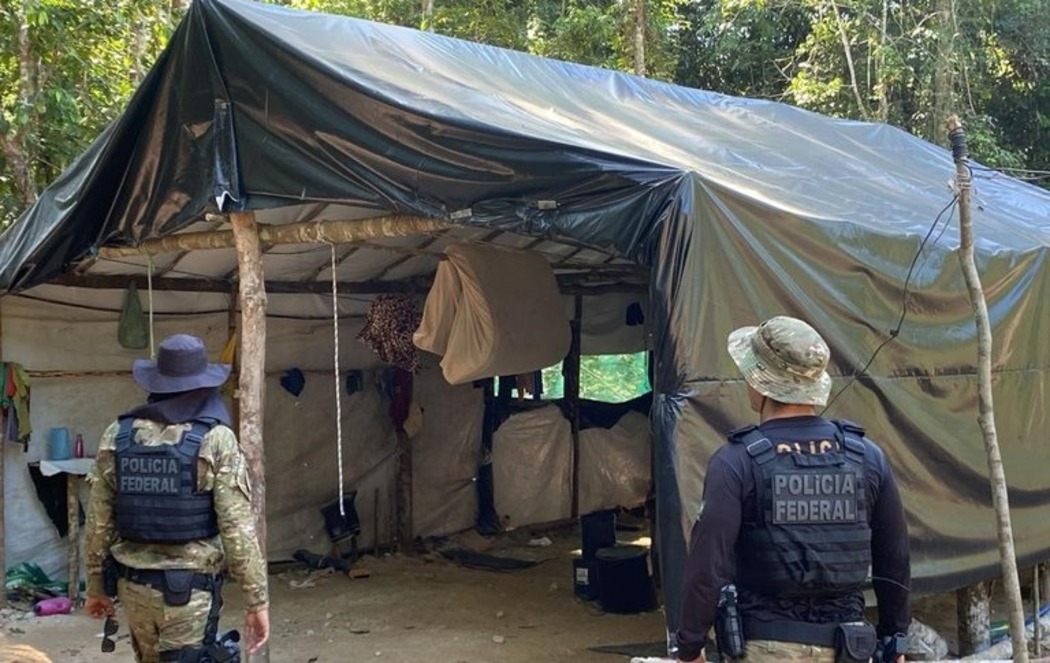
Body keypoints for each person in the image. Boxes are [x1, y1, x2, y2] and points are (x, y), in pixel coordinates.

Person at [675, 316, 910, 663]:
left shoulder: (736, 461)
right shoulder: (867, 458)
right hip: (851, 647)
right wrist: (895, 641)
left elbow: (709, 562)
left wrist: (690, 647)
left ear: (759, 381)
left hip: (766, 647)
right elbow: (894, 559)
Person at [84, 333, 270, 662]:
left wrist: (97, 587)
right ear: (204, 385)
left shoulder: (119, 434)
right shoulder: (215, 439)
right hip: (188, 594)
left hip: (133, 587)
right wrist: (257, 601)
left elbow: (98, 522)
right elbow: (237, 530)